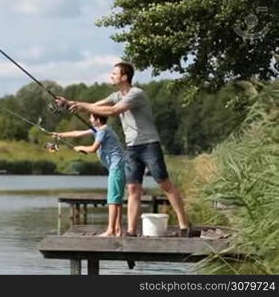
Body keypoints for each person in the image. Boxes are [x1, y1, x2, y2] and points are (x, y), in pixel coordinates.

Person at [56, 62, 191, 237]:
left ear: (124, 77)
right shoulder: (116, 94)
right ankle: (131, 231)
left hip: (149, 144)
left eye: (114, 73)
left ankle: (183, 225)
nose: (111, 76)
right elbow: (95, 105)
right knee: (133, 188)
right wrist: (68, 103)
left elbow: (112, 111)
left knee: (164, 184)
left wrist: (85, 107)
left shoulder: (136, 94)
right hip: (132, 147)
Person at [53, 113, 125, 237]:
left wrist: (80, 147)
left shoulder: (102, 131)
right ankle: (118, 230)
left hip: (116, 167)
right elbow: (78, 133)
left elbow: (92, 149)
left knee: (113, 199)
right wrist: (60, 135)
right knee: (116, 199)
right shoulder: (99, 129)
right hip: (118, 167)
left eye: (91, 117)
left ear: (97, 119)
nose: (89, 119)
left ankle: (110, 230)